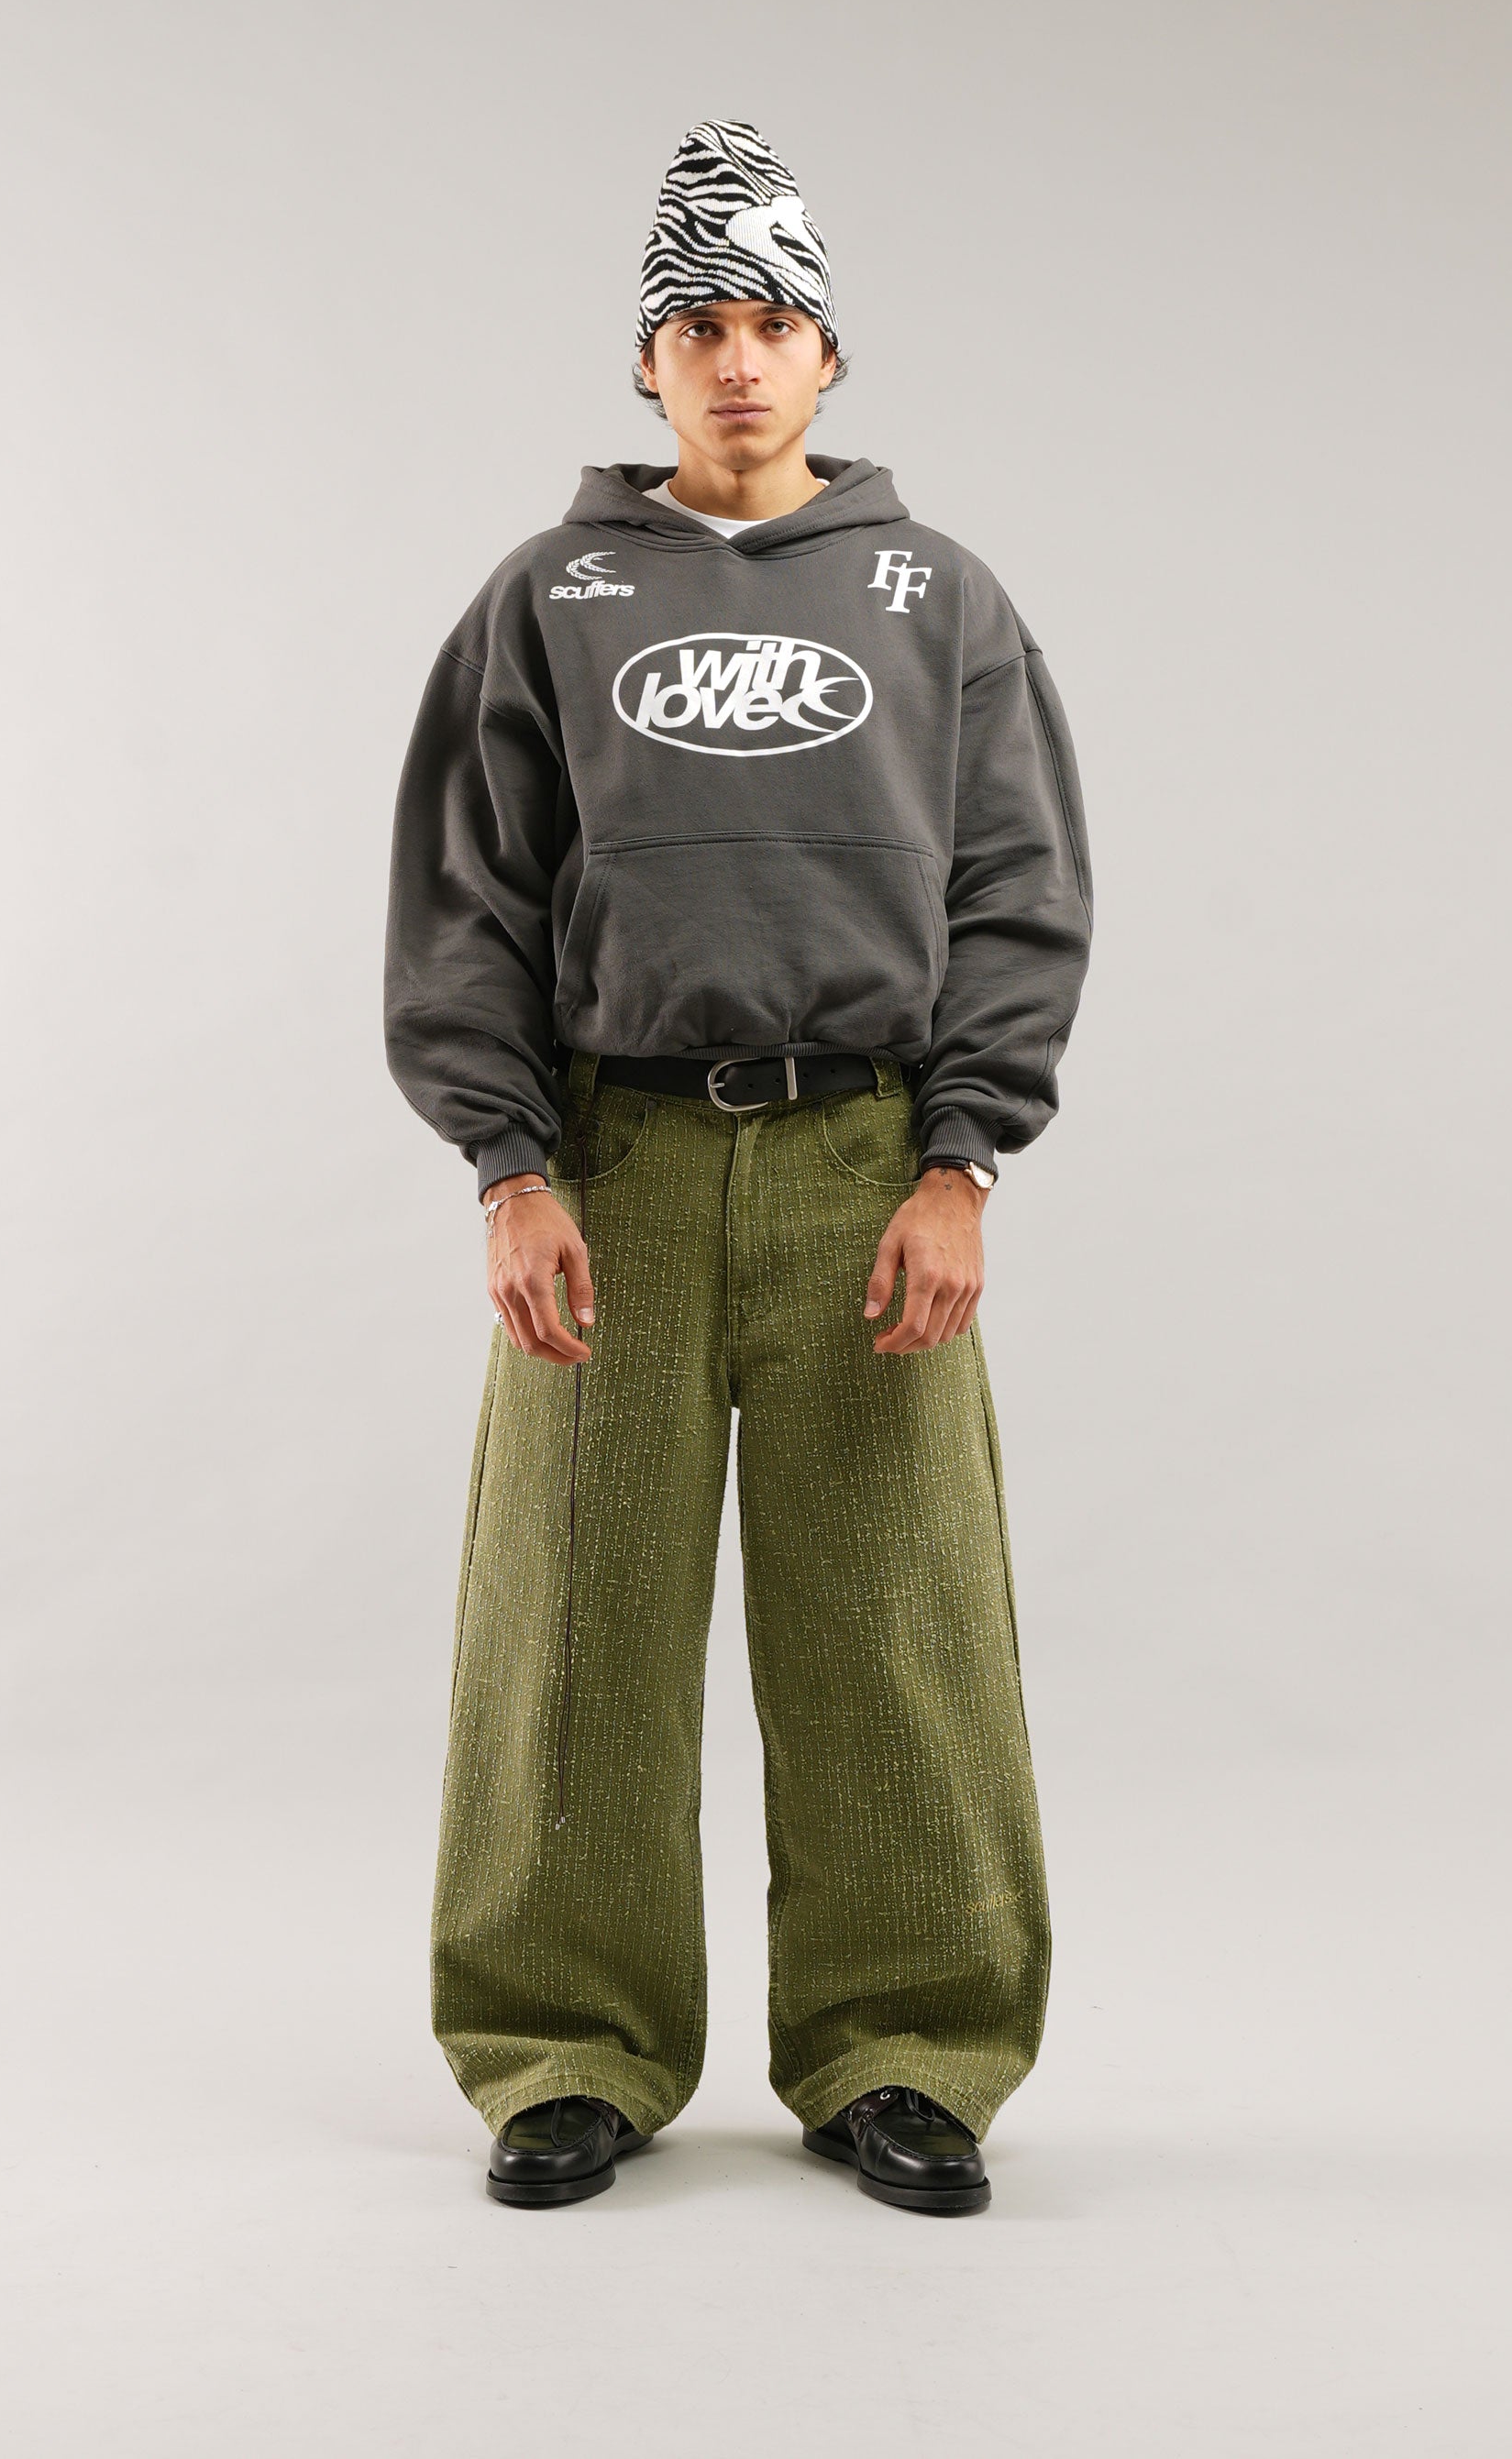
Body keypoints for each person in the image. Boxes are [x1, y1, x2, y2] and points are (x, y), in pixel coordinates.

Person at [382, 118, 1093, 2215]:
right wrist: (506, 1167)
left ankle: (905, 2050)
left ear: (828, 354)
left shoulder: (935, 598)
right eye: (694, 323)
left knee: (892, 1616)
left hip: (862, 1160)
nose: (735, 357)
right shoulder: (550, 598)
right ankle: (563, 2051)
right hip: (606, 1164)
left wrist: (961, 1159)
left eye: (771, 320)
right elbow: (466, 900)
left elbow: (1014, 889)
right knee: (571, 1619)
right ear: (643, 361)